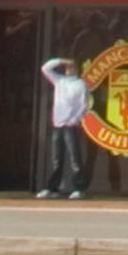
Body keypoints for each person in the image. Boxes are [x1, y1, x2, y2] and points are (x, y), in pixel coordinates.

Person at [40, 51, 94, 199]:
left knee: (75, 158)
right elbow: (45, 68)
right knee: (57, 158)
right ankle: (53, 188)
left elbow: (84, 106)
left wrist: (74, 120)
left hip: (71, 126)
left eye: (71, 67)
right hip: (58, 124)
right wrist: (62, 60)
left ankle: (79, 188)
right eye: (67, 67)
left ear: (77, 69)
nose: (68, 69)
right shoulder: (60, 80)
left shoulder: (80, 84)